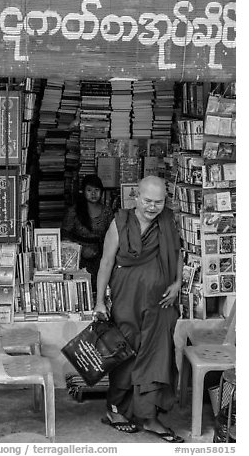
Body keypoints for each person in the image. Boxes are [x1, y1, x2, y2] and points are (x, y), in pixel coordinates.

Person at [93, 175, 184, 443]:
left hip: (160, 303)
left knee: (157, 354)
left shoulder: (168, 221)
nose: (153, 207)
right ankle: (115, 410)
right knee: (125, 353)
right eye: (148, 201)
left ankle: (149, 416)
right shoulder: (120, 222)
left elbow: (177, 254)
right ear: (136, 196)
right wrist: (99, 301)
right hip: (126, 299)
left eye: (159, 202)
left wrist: (178, 283)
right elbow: (106, 263)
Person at [61, 175, 114, 298]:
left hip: (100, 256)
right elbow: (65, 237)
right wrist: (80, 250)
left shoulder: (107, 212)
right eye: (89, 190)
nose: (93, 194)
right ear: (83, 191)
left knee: (99, 289)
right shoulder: (74, 211)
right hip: (77, 257)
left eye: (97, 190)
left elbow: (112, 236)